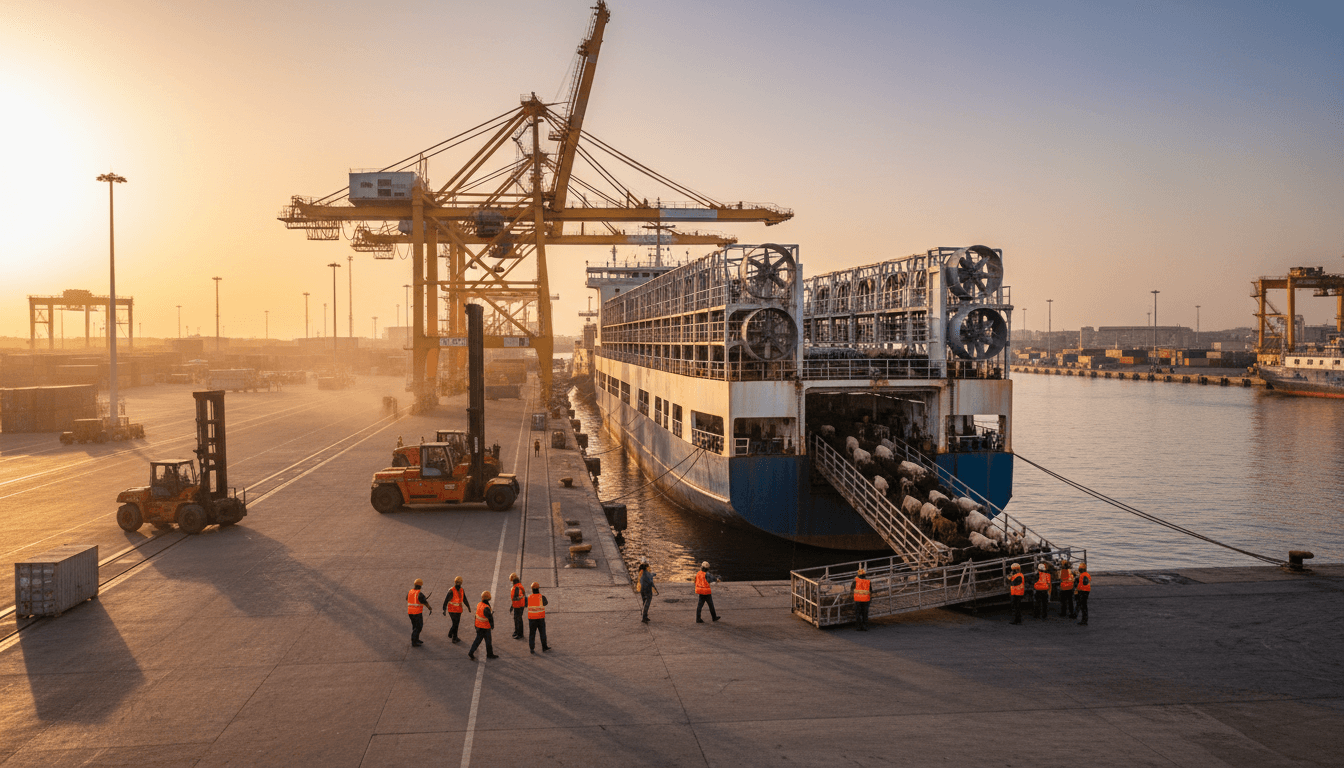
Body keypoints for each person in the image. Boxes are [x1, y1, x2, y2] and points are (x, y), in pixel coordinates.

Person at [468, 590, 498, 661]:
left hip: (478, 625)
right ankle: (489, 654)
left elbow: (477, 615)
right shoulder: (486, 608)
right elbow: (490, 618)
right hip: (485, 627)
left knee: (477, 640)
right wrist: (492, 625)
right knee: (488, 641)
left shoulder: (479, 604)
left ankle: (471, 652)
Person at [442, 576, 470, 644]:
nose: (458, 584)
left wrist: (468, 606)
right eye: (457, 583)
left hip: (459, 610)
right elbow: (446, 601)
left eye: (459, 583)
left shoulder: (462, 590)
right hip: (452, 610)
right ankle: (454, 638)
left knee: (456, 623)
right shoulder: (451, 591)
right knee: (455, 624)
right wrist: (444, 609)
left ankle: (450, 633)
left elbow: (464, 599)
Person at [526, 581, 550, 653]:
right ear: (538, 589)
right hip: (540, 618)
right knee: (542, 633)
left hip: (532, 619)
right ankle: (544, 647)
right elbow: (546, 603)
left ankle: (532, 648)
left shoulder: (529, 597)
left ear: (532, 589)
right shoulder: (542, 597)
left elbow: (525, 604)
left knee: (532, 633)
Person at [407, 578, 432, 647]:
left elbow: (407, 598)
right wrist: (430, 608)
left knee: (415, 626)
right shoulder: (420, 594)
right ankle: (414, 641)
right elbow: (425, 602)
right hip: (417, 613)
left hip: (410, 612)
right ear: (420, 586)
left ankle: (416, 639)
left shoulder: (410, 591)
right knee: (419, 627)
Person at [509, 573, 526, 639]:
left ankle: (520, 634)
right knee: (516, 619)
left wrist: (513, 603)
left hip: (518, 606)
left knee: (518, 619)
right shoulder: (519, 585)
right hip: (519, 605)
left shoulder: (516, 588)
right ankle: (516, 631)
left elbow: (516, 597)